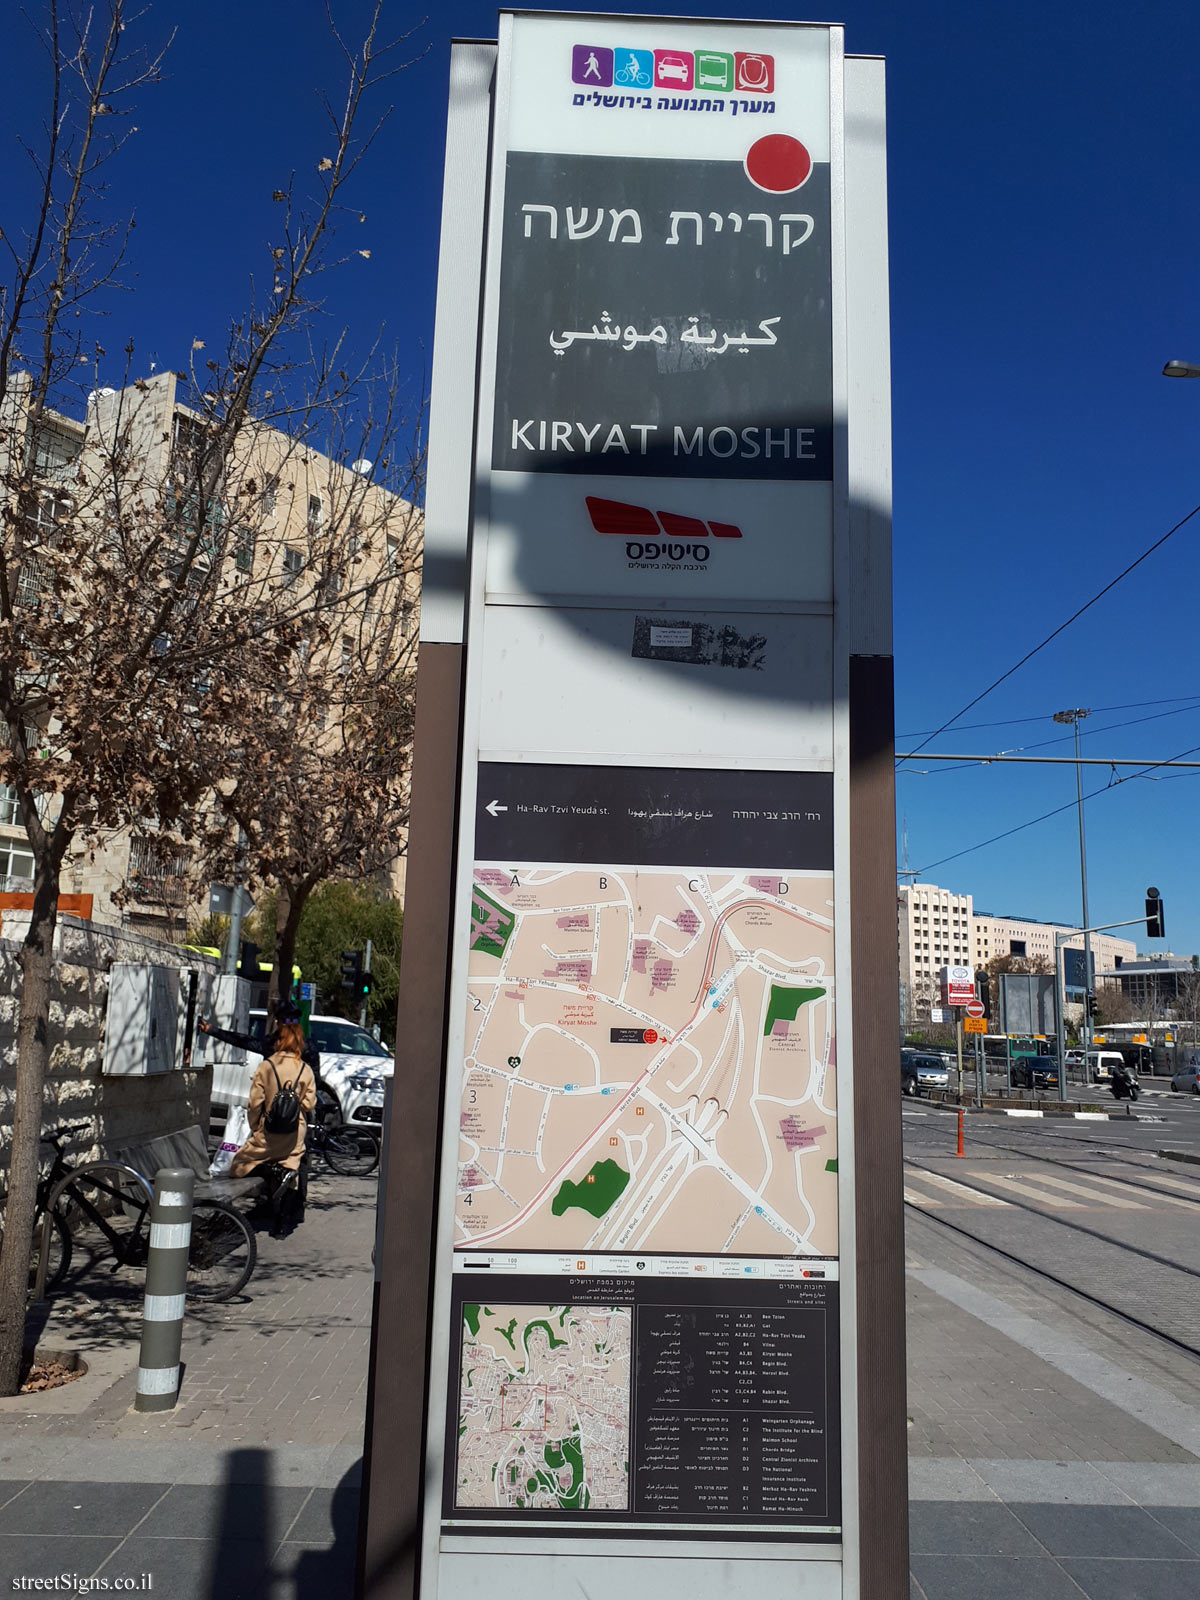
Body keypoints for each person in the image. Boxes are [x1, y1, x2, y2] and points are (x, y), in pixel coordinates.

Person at [228, 1021, 317, 1234]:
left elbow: (254, 1103)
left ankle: (270, 1172)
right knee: (292, 1163)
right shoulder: (305, 1069)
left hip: (268, 1133)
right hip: (294, 1133)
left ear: (280, 1040)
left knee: (239, 1165)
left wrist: (255, 1126)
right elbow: (309, 1104)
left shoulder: (266, 1066)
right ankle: (283, 1217)